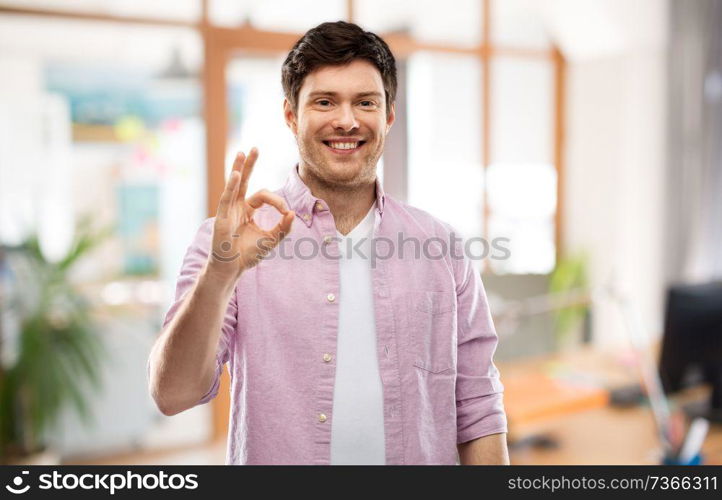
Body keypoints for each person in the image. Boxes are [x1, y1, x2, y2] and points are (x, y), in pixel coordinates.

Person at [147, 21, 508, 465]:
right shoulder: (226, 243)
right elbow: (173, 394)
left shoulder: (442, 247)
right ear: (290, 115)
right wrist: (220, 274)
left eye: (365, 102)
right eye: (324, 101)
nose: (346, 120)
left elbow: (478, 408)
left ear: (388, 116)